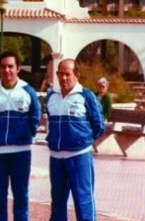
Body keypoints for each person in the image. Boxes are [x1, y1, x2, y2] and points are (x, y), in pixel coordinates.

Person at [0, 51, 41, 221]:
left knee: (21, 195)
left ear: (18, 68)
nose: (7, 70)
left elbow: (35, 116)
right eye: (3, 66)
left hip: (21, 150)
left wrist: (27, 134)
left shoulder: (27, 91)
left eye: (11, 66)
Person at [46, 59, 105, 221]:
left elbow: (99, 126)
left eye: (68, 74)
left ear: (76, 75)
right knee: (57, 203)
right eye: (61, 74)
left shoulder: (86, 96)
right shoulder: (52, 96)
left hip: (79, 157)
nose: (64, 78)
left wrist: (81, 141)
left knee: (83, 201)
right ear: (57, 74)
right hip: (56, 158)